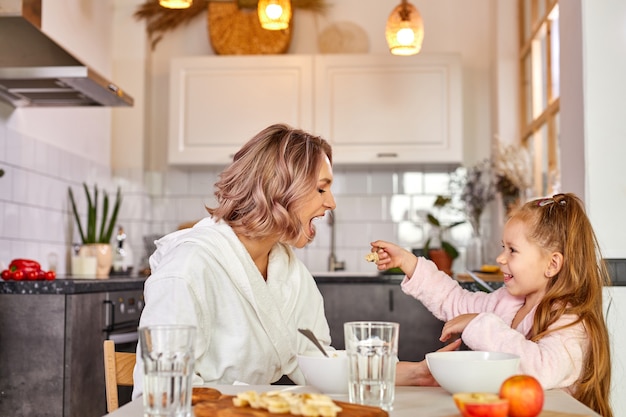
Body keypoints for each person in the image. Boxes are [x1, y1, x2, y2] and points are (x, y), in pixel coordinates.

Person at [132, 123, 337, 397]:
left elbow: (317, 361)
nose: (331, 202)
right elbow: (160, 392)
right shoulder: (188, 267)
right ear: (279, 188)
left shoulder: (288, 270)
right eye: (321, 190)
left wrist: (406, 373)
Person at [370, 193, 613, 417]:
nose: (500, 258)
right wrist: (408, 262)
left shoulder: (570, 319)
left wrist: (478, 323)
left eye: (513, 250)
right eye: (502, 247)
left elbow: (540, 370)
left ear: (551, 264)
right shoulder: (506, 302)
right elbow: (452, 300)